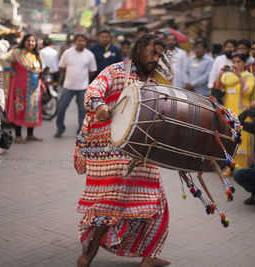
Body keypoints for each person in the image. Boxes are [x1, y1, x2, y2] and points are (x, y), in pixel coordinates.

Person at [74, 34, 170, 267]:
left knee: (148, 203)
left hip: (141, 152)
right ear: (138, 50)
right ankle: (92, 254)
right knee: (119, 204)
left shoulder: (158, 81)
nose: (156, 58)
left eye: (159, 54)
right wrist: (99, 106)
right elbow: (94, 91)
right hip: (111, 149)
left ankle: (144, 257)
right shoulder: (116, 71)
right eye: (152, 53)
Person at [0, 33, 44, 144]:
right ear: (23, 41)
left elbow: (40, 69)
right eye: (28, 41)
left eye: (33, 41)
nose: (31, 43)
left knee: (32, 110)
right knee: (19, 109)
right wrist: (9, 69)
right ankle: (18, 135)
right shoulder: (16, 53)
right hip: (20, 86)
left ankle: (30, 134)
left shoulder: (36, 55)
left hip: (33, 88)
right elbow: (2, 59)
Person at [54, 34, 97, 138]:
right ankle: (60, 128)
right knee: (61, 108)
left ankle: (81, 131)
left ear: (85, 43)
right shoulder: (67, 53)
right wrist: (70, 75)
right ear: (75, 42)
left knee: (83, 110)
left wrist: (83, 78)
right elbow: (61, 67)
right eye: (79, 40)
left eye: (83, 41)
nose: (81, 43)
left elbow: (93, 71)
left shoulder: (89, 55)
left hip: (82, 88)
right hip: (68, 86)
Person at [220, 52, 255, 173]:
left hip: (242, 114)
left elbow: (246, 91)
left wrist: (239, 76)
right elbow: (221, 87)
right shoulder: (227, 77)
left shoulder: (248, 77)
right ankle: (231, 168)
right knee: (229, 141)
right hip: (229, 113)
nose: (235, 64)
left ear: (245, 63)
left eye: (239, 62)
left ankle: (242, 169)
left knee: (240, 141)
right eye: (234, 62)